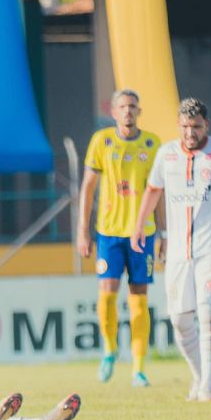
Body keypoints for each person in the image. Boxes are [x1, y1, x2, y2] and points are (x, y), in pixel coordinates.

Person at [131, 97, 211, 402]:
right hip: (177, 253)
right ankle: (198, 378)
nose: (190, 133)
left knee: (208, 314)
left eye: (196, 127)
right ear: (178, 125)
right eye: (185, 126)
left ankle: (208, 387)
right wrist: (139, 227)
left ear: (206, 126)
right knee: (179, 320)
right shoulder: (165, 155)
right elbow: (152, 191)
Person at [77, 89, 165, 388]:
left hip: (144, 233)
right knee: (107, 290)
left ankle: (139, 369)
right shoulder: (101, 141)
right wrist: (82, 230)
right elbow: (88, 188)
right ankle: (110, 349)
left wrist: (163, 232)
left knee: (139, 298)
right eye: (123, 107)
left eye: (132, 107)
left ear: (139, 111)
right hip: (109, 231)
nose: (128, 111)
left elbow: (159, 192)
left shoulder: (153, 144)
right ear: (113, 112)